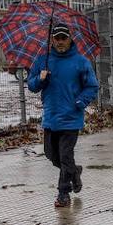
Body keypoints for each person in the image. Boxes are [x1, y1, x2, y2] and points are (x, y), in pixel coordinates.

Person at [28, 22, 99, 208]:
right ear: (52, 39)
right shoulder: (43, 60)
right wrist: (40, 78)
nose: (60, 42)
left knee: (65, 156)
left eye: (63, 38)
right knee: (52, 155)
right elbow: (32, 86)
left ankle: (63, 193)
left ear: (69, 39)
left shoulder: (81, 62)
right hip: (51, 117)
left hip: (71, 118)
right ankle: (74, 172)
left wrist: (80, 102)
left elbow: (92, 86)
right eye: (57, 38)